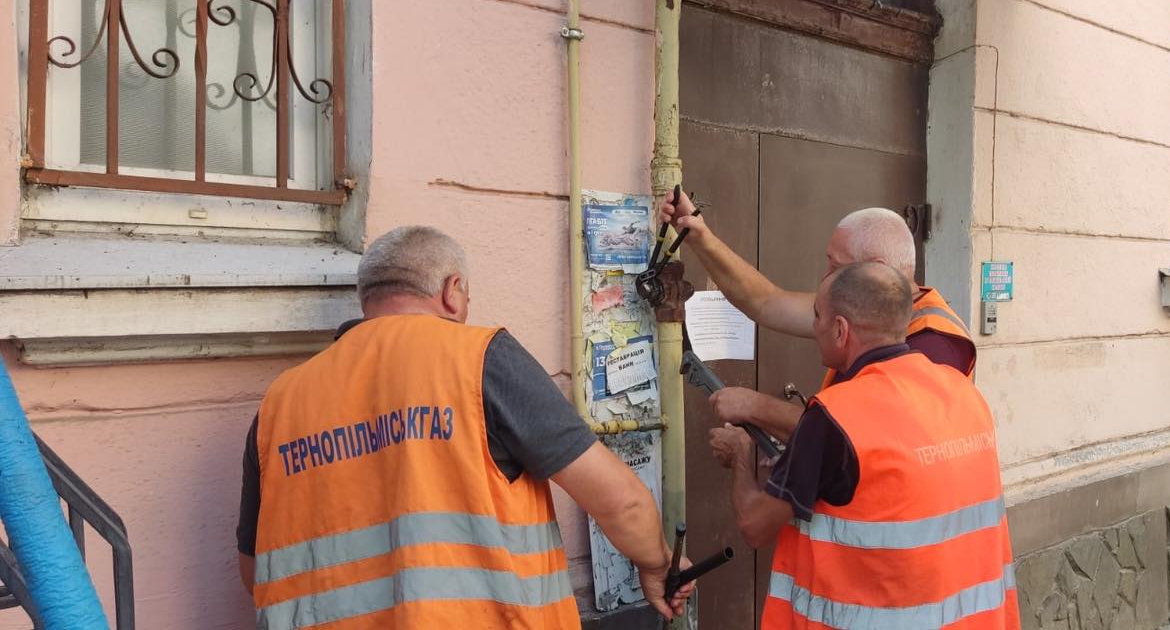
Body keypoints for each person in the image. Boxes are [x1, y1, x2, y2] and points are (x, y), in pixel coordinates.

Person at [236, 226, 692, 629]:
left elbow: (257, 570)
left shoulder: (281, 402)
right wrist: (656, 563)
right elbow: (620, 501)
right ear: (452, 291)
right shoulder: (479, 359)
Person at [709, 262, 1017, 629]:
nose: (814, 327)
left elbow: (755, 525)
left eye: (817, 316)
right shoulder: (963, 393)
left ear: (840, 330)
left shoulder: (835, 415)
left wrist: (740, 454)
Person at [660, 192, 975, 444]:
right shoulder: (857, 310)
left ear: (878, 270)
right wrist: (699, 236)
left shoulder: (936, 343)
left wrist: (757, 407)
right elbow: (765, 302)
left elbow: (859, 435)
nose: (825, 279)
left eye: (836, 267)